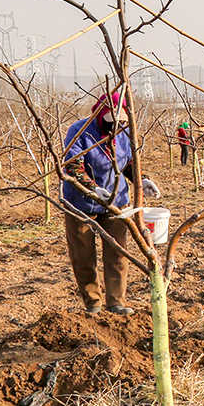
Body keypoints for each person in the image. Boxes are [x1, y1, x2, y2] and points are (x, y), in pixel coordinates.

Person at [62, 91, 159, 315]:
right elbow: (73, 166)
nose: (116, 127)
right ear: (100, 114)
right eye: (111, 121)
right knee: (83, 255)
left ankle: (116, 302)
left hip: (116, 202)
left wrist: (142, 180)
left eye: (121, 122)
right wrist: (93, 189)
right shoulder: (80, 131)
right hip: (80, 202)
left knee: (117, 252)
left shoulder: (126, 132)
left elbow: (128, 163)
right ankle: (93, 303)